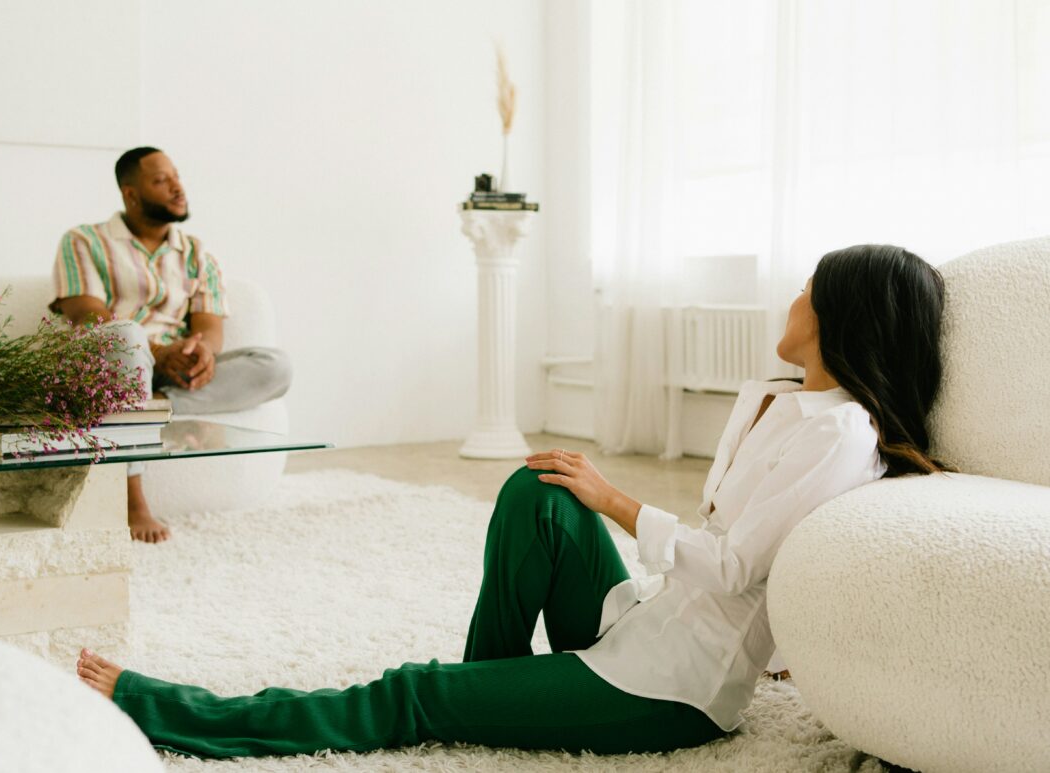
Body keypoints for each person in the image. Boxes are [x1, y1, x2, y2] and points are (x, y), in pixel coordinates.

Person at [77, 244, 946, 757]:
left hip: (670, 691)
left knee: (410, 691)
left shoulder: (839, 434)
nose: (791, 296)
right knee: (541, 488)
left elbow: (733, 570)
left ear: (840, 314)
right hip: (641, 623)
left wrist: (617, 499)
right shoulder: (778, 396)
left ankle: (167, 708)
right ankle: (484, 689)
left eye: (808, 288)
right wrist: (592, 498)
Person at [51, 147, 292, 544]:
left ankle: (149, 402)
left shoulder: (196, 252)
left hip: (170, 368)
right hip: (113, 362)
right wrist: (152, 349)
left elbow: (210, 327)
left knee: (275, 365)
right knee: (125, 335)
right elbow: (85, 312)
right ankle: (133, 501)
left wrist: (202, 354)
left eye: (177, 176)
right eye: (161, 180)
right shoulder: (84, 241)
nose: (178, 187)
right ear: (130, 194)